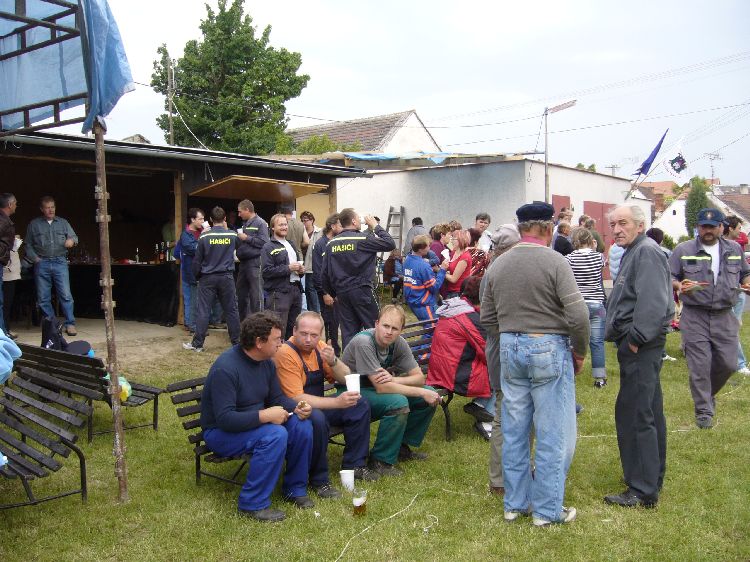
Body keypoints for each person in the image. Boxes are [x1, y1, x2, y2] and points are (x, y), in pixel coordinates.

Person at [481, 201, 589, 527]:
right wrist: (580, 351)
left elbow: (487, 318)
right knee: (552, 431)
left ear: (520, 227)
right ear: (547, 227)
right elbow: (578, 314)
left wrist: (511, 335)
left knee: (514, 431)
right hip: (548, 345)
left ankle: (515, 504)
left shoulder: (498, 265)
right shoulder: (556, 261)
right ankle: (546, 510)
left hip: (509, 346)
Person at [200, 312, 314, 522]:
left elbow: (277, 398)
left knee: (301, 425)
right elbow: (225, 419)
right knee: (275, 435)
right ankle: (252, 503)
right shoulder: (226, 368)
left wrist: (298, 407)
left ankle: (295, 489)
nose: (281, 344)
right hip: (221, 433)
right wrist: (265, 415)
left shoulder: (267, 362)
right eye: (277, 339)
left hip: (252, 426)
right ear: (259, 342)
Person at [603, 205, 673, 508]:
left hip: (641, 346)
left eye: (623, 223)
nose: (617, 229)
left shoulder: (646, 251)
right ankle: (650, 476)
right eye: (613, 224)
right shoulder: (635, 250)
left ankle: (642, 490)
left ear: (640, 225)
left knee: (635, 413)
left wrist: (635, 339)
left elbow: (654, 302)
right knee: (647, 410)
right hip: (639, 344)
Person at [274, 311, 380, 491]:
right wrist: (337, 403)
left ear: (320, 335)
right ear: (294, 331)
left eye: (314, 335)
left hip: (316, 406)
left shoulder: (319, 347)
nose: (308, 339)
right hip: (294, 411)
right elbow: (297, 398)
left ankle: (355, 465)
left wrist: (333, 361)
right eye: (303, 334)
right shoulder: (286, 353)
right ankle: (318, 479)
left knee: (358, 403)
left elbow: (345, 377)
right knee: (318, 419)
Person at [668, 208, 750, 429]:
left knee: (729, 363)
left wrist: (747, 283)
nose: (708, 231)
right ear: (698, 227)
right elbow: (670, 276)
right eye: (704, 226)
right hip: (695, 315)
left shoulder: (734, 249)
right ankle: (704, 411)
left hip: (724, 314)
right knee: (700, 365)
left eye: (712, 227)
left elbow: (744, 273)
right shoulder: (683, 250)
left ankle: (707, 393)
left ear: (722, 227)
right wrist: (679, 285)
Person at [341, 305, 441, 476]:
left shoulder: (398, 343)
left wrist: (394, 379)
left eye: (394, 328)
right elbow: (382, 387)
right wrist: (422, 392)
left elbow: (419, 378)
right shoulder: (364, 342)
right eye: (385, 326)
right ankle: (380, 460)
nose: (389, 332)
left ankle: (400, 447)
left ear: (401, 330)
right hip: (352, 393)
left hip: (375, 389)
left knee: (427, 392)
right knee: (399, 402)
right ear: (376, 324)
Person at [480, 224, 521, 496]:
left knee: (511, 411)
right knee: (504, 411)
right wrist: (511, 337)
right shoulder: (496, 271)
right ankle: (499, 480)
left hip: (503, 347)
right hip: (501, 348)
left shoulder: (497, 269)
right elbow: (488, 318)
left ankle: (511, 472)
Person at [428, 276, 493, 439]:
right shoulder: (469, 317)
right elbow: (488, 353)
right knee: (506, 369)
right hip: (456, 375)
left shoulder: (455, 307)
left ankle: (480, 406)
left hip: (441, 370)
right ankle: (485, 419)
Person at [322, 208, 395, 349]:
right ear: (354, 221)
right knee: (375, 328)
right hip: (362, 290)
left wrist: (333, 293)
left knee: (349, 333)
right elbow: (390, 243)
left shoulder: (331, 244)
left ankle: (351, 362)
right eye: (358, 218)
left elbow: (324, 274)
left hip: (342, 293)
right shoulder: (362, 239)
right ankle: (378, 359)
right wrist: (375, 226)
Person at [183, 206, 241, 352]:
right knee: (231, 310)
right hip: (226, 276)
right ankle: (237, 343)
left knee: (203, 310)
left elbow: (197, 261)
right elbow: (241, 250)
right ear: (225, 219)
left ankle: (198, 344)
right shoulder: (232, 235)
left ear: (210, 220)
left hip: (207, 277)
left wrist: (197, 276)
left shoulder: (204, 237)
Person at [25, 196, 78, 336]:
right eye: (47, 207)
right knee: (43, 298)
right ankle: (53, 324)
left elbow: (74, 237)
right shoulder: (34, 224)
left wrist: (71, 241)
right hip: (42, 262)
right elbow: (28, 244)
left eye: (53, 207)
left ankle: (70, 324)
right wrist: (35, 258)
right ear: (41, 209)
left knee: (65, 294)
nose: (51, 210)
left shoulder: (63, 222)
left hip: (60, 261)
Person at [566, 227, 607, 387]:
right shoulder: (599, 257)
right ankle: (600, 378)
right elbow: (600, 268)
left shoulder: (569, 258)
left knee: (572, 341)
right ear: (591, 240)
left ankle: (570, 373)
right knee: (597, 342)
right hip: (596, 303)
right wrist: (594, 248)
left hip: (577, 305)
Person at [262, 213, 305, 340]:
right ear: (273, 228)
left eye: (285, 224)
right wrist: (288, 268)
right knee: (278, 329)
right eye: (280, 225)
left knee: (293, 329)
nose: (284, 227)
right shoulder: (268, 246)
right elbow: (266, 271)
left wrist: (300, 270)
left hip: (295, 289)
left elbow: (295, 267)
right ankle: (276, 352)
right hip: (279, 293)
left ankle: (289, 351)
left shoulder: (291, 244)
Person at [723, 215, 750, 376]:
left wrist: (746, 283)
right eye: (739, 228)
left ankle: (738, 363)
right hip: (723, 295)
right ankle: (738, 363)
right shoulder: (715, 247)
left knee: (732, 327)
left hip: (737, 293)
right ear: (730, 228)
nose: (741, 232)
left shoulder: (737, 247)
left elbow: (744, 272)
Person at [312, 213, 342, 356]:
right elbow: (317, 271)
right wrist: (324, 293)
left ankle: (335, 350)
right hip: (327, 292)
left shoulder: (339, 242)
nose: (343, 228)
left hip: (339, 291)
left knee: (336, 322)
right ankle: (328, 351)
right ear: (332, 226)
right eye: (340, 225)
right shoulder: (320, 244)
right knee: (328, 322)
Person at [236, 199, 269, 319]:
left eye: (240, 212)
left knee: (256, 295)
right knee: (240, 294)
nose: (239, 214)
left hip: (255, 263)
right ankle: (243, 324)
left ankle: (258, 323)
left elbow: (264, 242)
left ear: (247, 210)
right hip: (244, 263)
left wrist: (246, 238)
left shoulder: (260, 223)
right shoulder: (245, 223)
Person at [403, 234, 447, 322]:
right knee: (432, 327)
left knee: (427, 326)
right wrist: (442, 270)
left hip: (412, 301)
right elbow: (434, 287)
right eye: (428, 246)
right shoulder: (424, 266)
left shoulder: (407, 260)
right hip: (423, 303)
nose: (429, 248)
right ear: (420, 249)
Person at [177, 208, 205, 333]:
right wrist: (204, 238)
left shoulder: (202, 231)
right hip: (189, 272)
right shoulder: (186, 234)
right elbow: (193, 249)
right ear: (193, 219)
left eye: (203, 219)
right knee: (191, 299)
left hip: (202, 271)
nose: (203, 221)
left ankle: (195, 324)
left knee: (198, 300)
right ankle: (191, 324)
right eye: (200, 219)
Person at [0, 193, 16, 334]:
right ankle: (2, 333)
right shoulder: (3, 220)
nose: (16, 206)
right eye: (15, 203)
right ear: (10, 205)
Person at [300, 211, 322, 313]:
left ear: (312, 220)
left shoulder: (319, 232)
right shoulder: (301, 231)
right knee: (306, 291)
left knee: (312, 289)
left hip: (313, 265)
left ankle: (316, 312)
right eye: (302, 220)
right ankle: (309, 312)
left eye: (306, 220)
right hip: (302, 265)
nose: (304, 222)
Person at [443, 229, 472, 298]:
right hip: (450, 290)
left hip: (457, 292)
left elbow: (453, 279)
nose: (451, 241)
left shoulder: (465, 257)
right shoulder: (454, 252)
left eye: (453, 239)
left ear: (461, 240)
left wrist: (440, 271)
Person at [2, 233, 21, 340]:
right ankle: (4, 331)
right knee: (4, 304)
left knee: (6, 304)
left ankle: (6, 329)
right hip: (5, 271)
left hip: (10, 272)